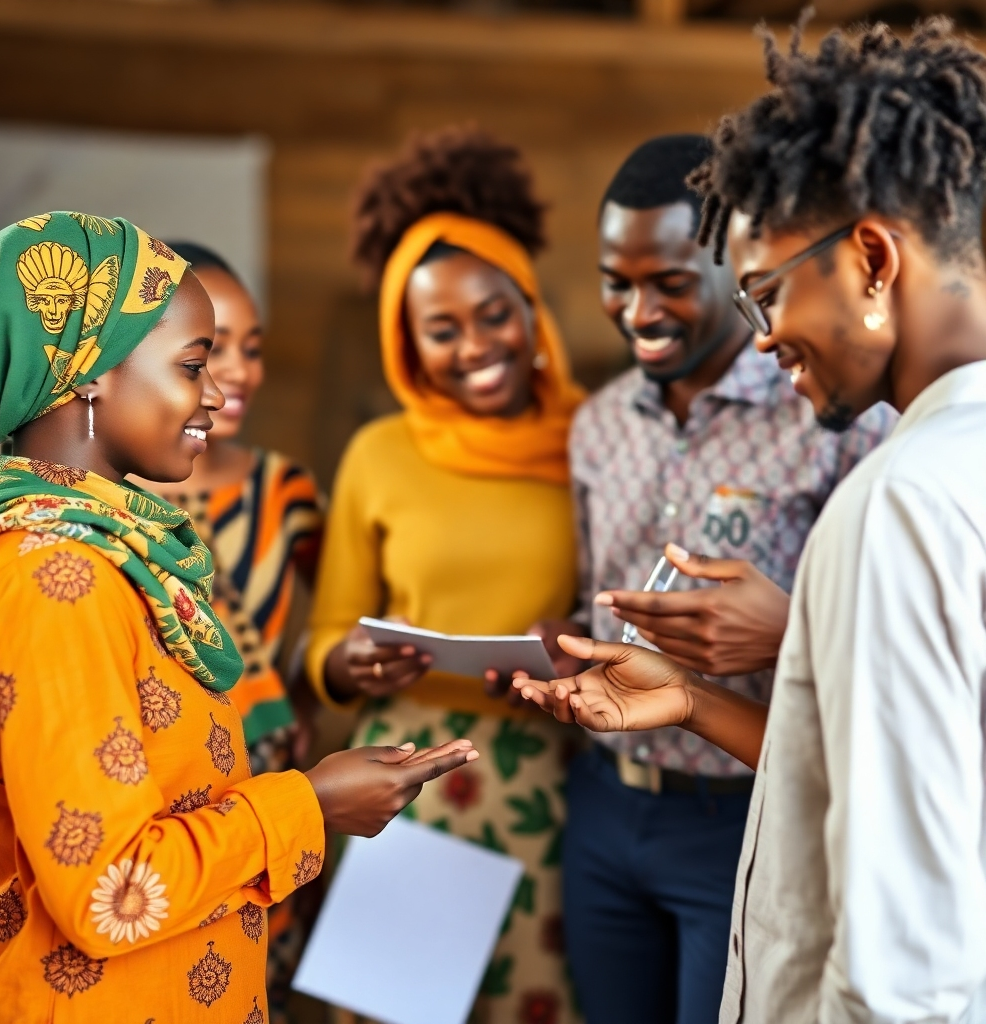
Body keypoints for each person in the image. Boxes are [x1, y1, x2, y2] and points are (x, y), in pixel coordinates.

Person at [519, 15, 986, 1023]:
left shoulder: (898, 497)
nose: (763, 335)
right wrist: (688, 698)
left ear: (869, 258)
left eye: (767, 292)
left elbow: (899, 952)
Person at [0, 212, 476, 1023]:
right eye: (194, 365)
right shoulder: (55, 579)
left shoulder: (107, 551)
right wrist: (311, 803)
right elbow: (110, 892)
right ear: (90, 372)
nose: (216, 393)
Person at [540, 134, 894, 1024]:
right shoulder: (597, 424)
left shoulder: (831, 416)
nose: (636, 310)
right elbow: (594, 588)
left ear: (731, 268)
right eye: (615, 282)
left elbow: (872, 640)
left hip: (745, 813)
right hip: (606, 806)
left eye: (668, 282)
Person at [306, 127, 586, 1024]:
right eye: (441, 329)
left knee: (534, 1005)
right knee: (389, 1010)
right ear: (407, 343)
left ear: (532, 308)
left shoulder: (598, 443)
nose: (475, 346)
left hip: (547, 775)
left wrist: (575, 642)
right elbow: (326, 638)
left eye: (494, 313)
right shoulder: (379, 456)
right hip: (405, 780)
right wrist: (356, 663)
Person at [132, 241, 323, 1023]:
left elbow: (321, 642)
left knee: (258, 987)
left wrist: (337, 671)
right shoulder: (107, 506)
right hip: (152, 809)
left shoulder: (287, 491)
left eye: (252, 349)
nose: (237, 373)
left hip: (269, 792)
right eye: (209, 353)